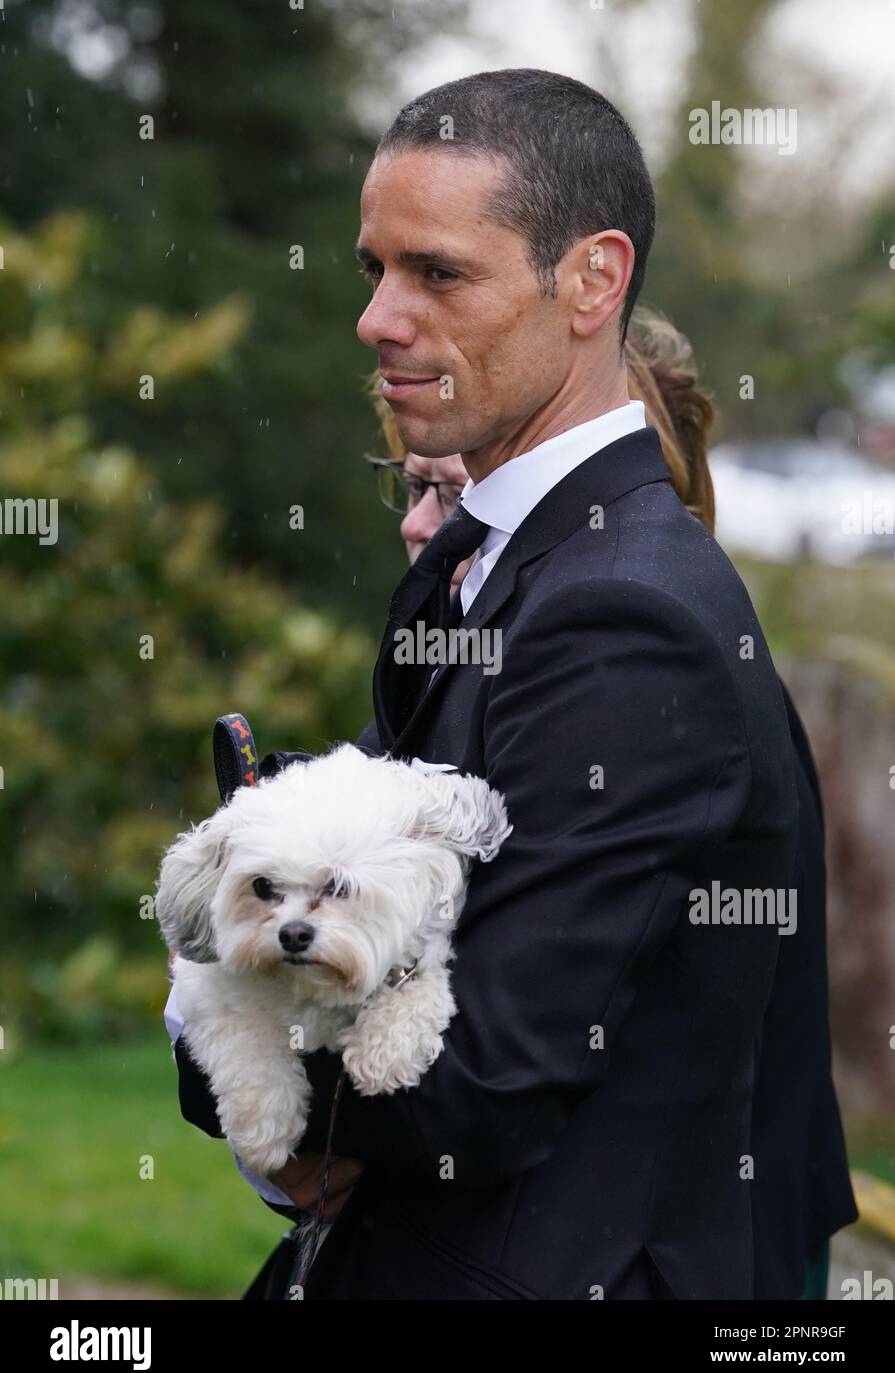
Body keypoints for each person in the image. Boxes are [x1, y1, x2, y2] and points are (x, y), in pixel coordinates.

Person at [168, 68, 822, 1299]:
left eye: (439, 273)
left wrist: (207, 1024)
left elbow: (485, 1076)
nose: (376, 316)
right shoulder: (496, 555)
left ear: (593, 280)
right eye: (374, 269)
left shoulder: (625, 609)